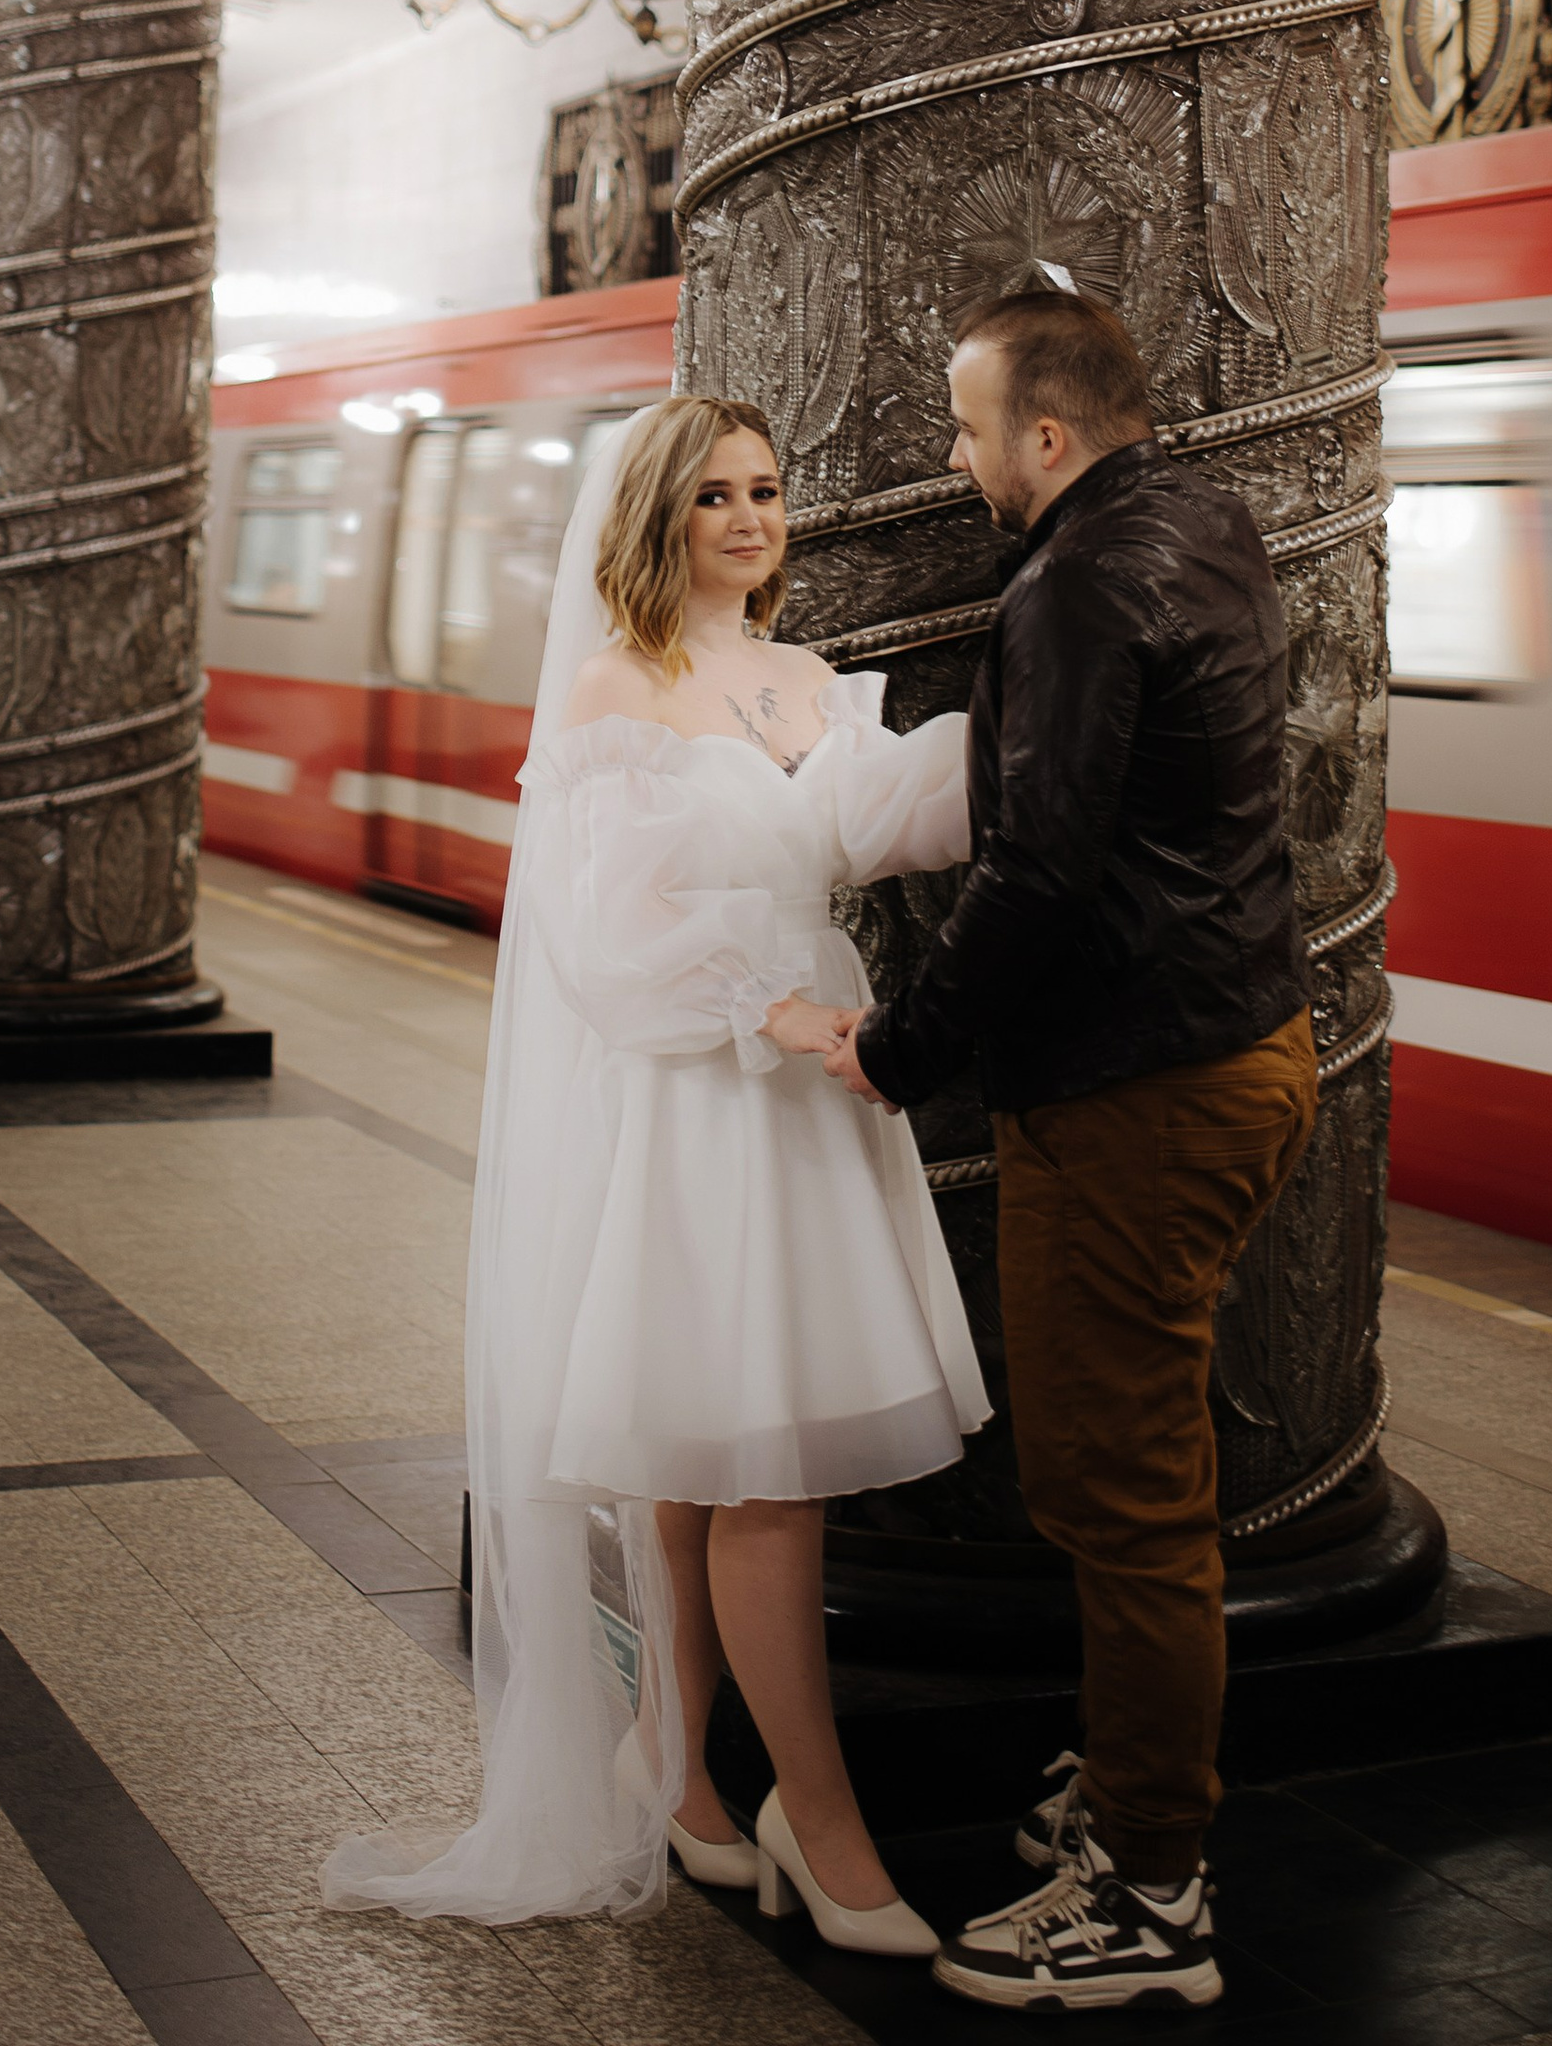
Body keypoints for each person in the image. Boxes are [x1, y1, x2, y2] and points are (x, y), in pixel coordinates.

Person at [324, 394, 987, 1942]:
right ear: (657, 521)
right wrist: (767, 1004)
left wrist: (1034, 724)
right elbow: (601, 936)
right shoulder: (619, 691)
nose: (751, 520)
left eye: (766, 492)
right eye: (715, 499)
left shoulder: (806, 678)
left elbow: (885, 817)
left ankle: (678, 1772)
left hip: (805, 1096)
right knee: (752, 1464)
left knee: (706, 1453)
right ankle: (817, 1826)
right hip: (703, 1092)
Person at [824, 284, 1318, 2015]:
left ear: (1044, 435)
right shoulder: (1206, 523)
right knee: (1137, 1470)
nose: (957, 463)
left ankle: (1151, 1893)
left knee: (1122, 1495)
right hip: (1245, 1047)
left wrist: (898, 1049)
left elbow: (1035, 876)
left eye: (968, 430)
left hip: (1135, 1090)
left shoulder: (1074, 587)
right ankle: (1131, 1787)